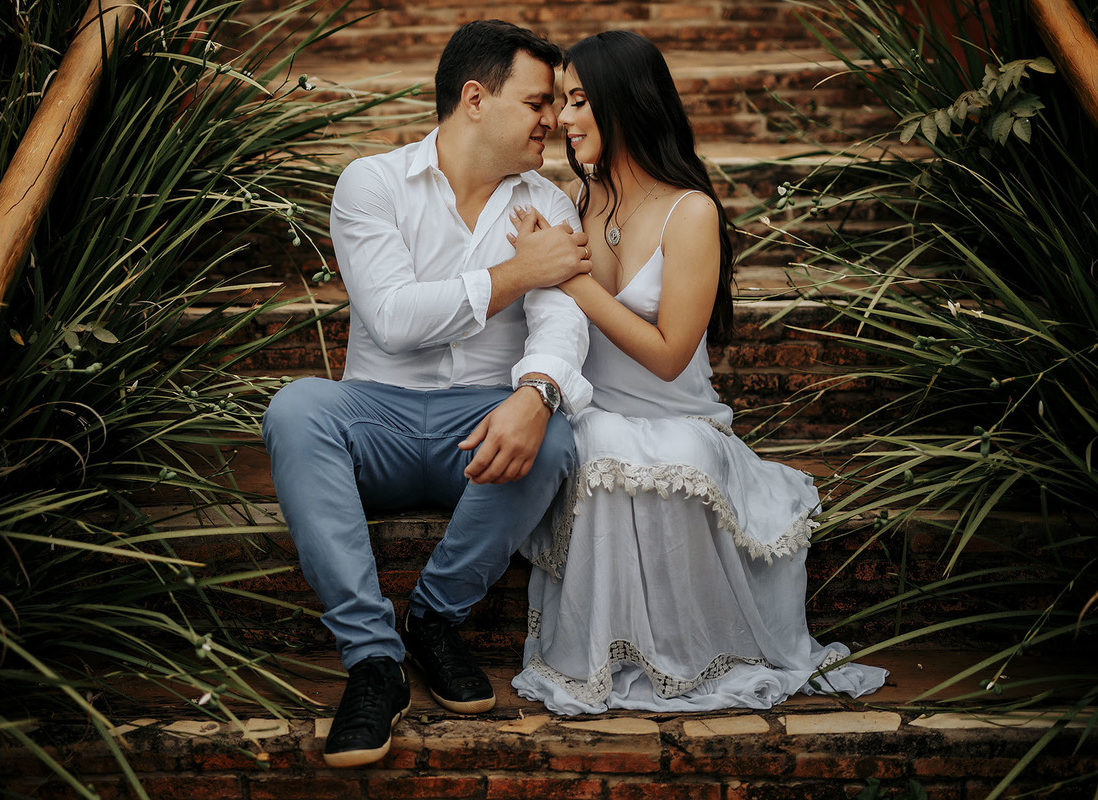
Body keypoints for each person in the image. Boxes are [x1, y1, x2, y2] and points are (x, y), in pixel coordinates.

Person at [508, 30, 888, 715]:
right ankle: (605, 655)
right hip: (599, 410)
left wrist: (567, 276)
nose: (562, 119)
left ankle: (689, 654)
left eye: (578, 101)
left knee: (678, 453)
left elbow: (668, 351)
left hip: (676, 415)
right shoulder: (583, 200)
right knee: (591, 444)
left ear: (626, 102)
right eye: (561, 102)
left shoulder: (693, 213)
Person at [261, 20, 596, 766]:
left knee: (557, 432)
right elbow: (393, 316)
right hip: (373, 416)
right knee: (295, 409)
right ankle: (374, 660)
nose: (554, 120)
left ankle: (436, 620)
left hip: (478, 426)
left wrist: (536, 392)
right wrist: (517, 273)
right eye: (537, 101)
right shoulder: (372, 184)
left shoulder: (552, 204)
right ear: (475, 99)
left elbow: (562, 323)